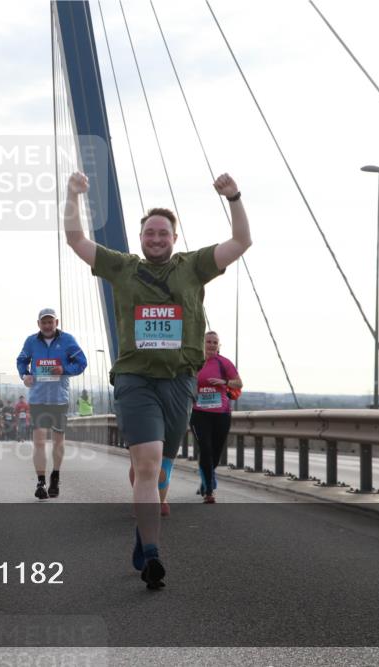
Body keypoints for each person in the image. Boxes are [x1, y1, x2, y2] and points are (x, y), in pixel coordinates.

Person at [62, 169, 251, 589]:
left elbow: (241, 242)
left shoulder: (194, 267)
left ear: (174, 238)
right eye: (150, 233)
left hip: (180, 382)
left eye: (163, 233)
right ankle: (152, 555)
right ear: (141, 236)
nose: (156, 239)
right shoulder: (122, 267)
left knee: (158, 472)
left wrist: (234, 197)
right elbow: (76, 240)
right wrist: (73, 195)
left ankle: (141, 537)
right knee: (146, 466)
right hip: (135, 380)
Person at [16, 308, 87, 499]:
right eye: (44, 322)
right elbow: (21, 360)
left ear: (57, 322)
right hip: (38, 398)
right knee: (39, 441)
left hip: (58, 399)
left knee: (57, 442)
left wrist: (64, 369)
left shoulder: (68, 340)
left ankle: (55, 475)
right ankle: (41, 482)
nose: (47, 326)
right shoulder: (31, 341)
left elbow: (82, 362)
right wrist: (25, 375)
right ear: (38, 324)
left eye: (50, 322)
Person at [190, 331, 242, 503]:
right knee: (205, 449)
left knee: (215, 452)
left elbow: (239, 383)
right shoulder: (194, 362)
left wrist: (224, 382)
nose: (211, 345)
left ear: (218, 345)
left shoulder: (224, 363)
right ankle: (209, 492)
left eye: (215, 342)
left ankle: (206, 482)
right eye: (208, 342)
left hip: (221, 414)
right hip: (199, 414)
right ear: (202, 343)